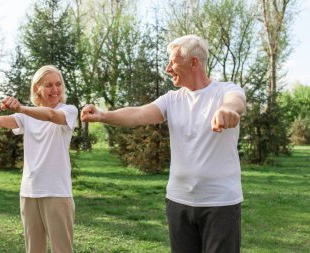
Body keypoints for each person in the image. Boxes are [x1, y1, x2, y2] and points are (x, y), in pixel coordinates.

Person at [81, 35, 246, 253]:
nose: (168, 68)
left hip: (220, 203)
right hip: (178, 201)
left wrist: (228, 110)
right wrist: (103, 115)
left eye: (173, 62)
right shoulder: (171, 99)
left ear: (194, 62)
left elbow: (236, 102)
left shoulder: (225, 91)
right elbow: (139, 114)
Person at [0, 65, 78, 253]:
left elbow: (50, 115)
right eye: (48, 85)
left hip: (57, 192)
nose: (55, 90)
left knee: (62, 250)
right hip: (29, 192)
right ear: (37, 89)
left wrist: (20, 108)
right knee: (33, 249)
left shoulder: (68, 111)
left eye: (58, 84)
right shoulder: (26, 117)